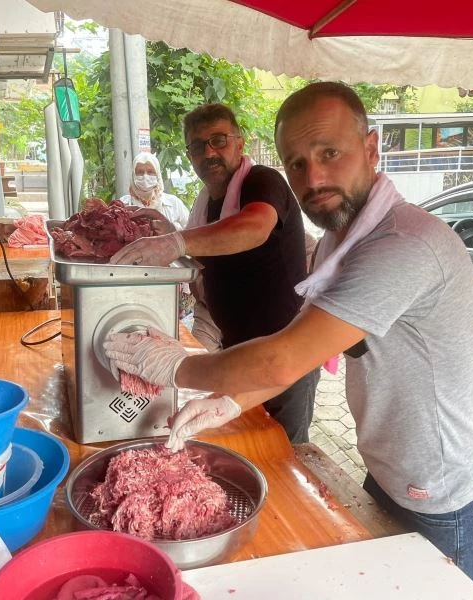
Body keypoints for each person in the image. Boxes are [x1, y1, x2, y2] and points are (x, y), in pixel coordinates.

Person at [104, 82, 473, 597]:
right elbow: (302, 348)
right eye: (296, 163)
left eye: (329, 153)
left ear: (371, 148)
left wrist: (179, 367)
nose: (312, 178)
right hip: (390, 477)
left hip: (453, 499)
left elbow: (280, 360)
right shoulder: (341, 246)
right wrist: (229, 400)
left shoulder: (406, 244)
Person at [110, 103, 320, 444]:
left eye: (219, 140)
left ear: (240, 143)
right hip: (238, 351)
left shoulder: (261, 181)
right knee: (245, 440)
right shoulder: (207, 200)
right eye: (197, 146)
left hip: (285, 352)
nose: (209, 152)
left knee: (284, 452)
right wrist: (172, 232)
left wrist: (175, 242)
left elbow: (254, 227)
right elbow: (212, 245)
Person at [118, 152, 189, 230]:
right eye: (140, 172)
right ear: (133, 176)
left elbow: (190, 232)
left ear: (158, 174)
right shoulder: (123, 204)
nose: (145, 176)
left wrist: (174, 229)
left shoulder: (174, 203)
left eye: (150, 172)